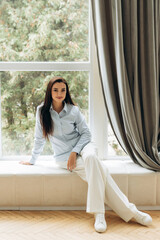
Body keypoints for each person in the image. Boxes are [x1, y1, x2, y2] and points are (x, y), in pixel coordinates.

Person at [20, 76, 152, 233]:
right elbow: (39, 137)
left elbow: (86, 134)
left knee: (91, 158)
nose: (59, 93)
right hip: (63, 157)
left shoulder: (73, 110)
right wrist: (32, 160)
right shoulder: (41, 111)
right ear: (50, 92)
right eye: (55, 90)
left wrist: (75, 151)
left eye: (63, 90)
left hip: (84, 146)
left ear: (66, 91)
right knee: (100, 173)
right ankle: (129, 212)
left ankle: (99, 213)